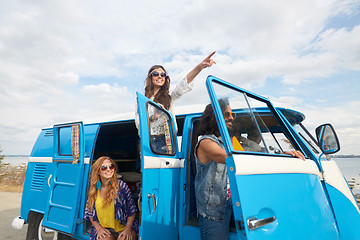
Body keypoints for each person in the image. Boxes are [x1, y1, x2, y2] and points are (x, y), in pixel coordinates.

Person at [194, 101, 305, 240]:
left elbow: (251, 151)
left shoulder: (228, 141)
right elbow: (231, 157)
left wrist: (282, 153)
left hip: (232, 202)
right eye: (227, 114)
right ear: (214, 116)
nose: (232, 117)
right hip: (214, 209)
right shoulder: (206, 142)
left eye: (233, 114)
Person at [135, 51, 216, 136]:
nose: (159, 76)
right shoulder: (142, 100)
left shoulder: (169, 96)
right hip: (149, 142)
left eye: (163, 74)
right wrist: (154, 116)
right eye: (155, 74)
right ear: (150, 77)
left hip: (168, 141)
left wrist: (199, 67)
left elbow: (183, 85)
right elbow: (139, 124)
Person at [85, 156, 139, 240]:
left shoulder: (121, 186)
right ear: (98, 171)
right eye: (103, 167)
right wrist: (98, 228)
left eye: (111, 166)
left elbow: (131, 210)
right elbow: (90, 213)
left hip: (124, 227)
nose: (109, 169)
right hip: (105, 229)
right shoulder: (94, 189)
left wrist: (127, 229)